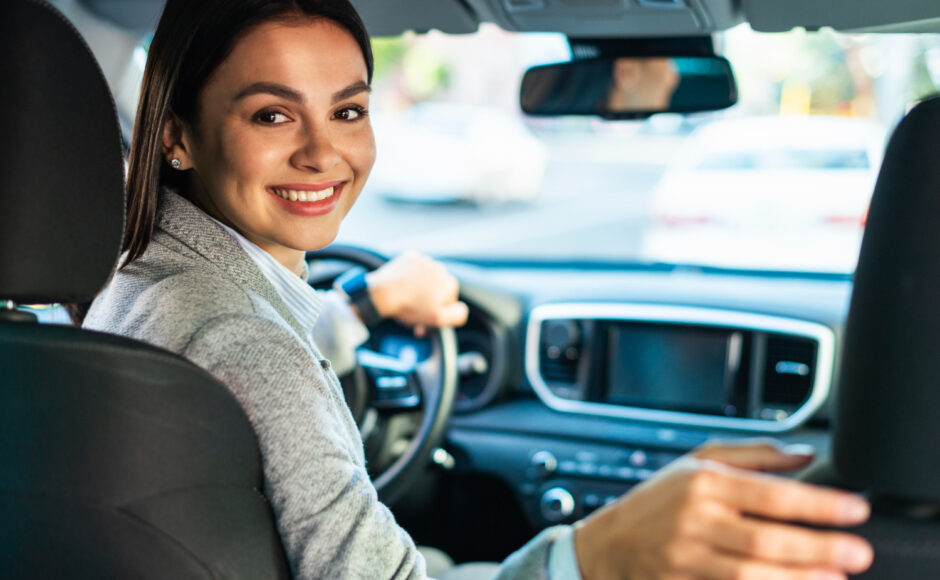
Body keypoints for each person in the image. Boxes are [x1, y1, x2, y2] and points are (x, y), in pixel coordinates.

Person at [82, 0, 876, 578]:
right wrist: (599, 553)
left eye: (349, 109)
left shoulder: (135, 288)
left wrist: (364, 308)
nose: (325, 154)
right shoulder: (245, 343)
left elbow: (253, 359)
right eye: (271, 117)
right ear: (176, 136)